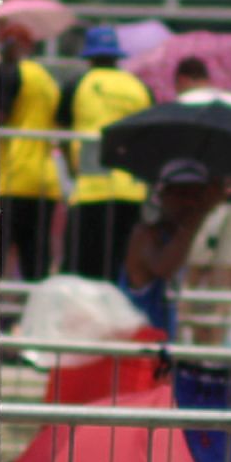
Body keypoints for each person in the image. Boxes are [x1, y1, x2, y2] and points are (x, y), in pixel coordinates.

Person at [59, 26, 155, 291]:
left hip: (91, 189)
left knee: (81, 267)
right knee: (118, 265)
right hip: (130, 190)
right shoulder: (138, 87)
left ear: (89, 56)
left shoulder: (79, 84)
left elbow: (63, 133)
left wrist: (72, 169)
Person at [116, 158, 229, 338]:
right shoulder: (144, 235)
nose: (189, 203)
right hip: (135, 353)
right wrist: (200, 214)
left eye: (196, 196)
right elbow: (164, 267)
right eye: (181, 194)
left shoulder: (176, 237)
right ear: (162, 195)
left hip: (158, 350)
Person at [0, 24, 63, 282]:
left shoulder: (12, 73)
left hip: (12, 176)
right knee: (36, 263)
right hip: (44, 180)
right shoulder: (47, 79)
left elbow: (0, 115)